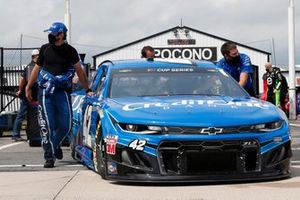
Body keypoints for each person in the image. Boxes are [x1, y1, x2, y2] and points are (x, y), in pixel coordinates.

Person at [25, 22, 92, 168]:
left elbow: (79, 71)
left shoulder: (70, 51)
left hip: (62, 91)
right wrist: (29, 86)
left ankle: (55, 145)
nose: (50, 36)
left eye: (53, 33)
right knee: (47, 124)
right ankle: (49, 156)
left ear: (61, 34)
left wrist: (87, 88)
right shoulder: (45, 48)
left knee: (65, 125)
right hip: (45, 92)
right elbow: (37, 68)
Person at [12, 49, 39, 142]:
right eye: (38, 56)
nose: (39, 57)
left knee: (30, 115)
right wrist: (20, 90)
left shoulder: (34, 66)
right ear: (33, 57)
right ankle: (15, 134)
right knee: (22, 114)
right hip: (28, 95)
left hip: (31, 94)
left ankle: (30, 135)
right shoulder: (31, 66)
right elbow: (22, 79)